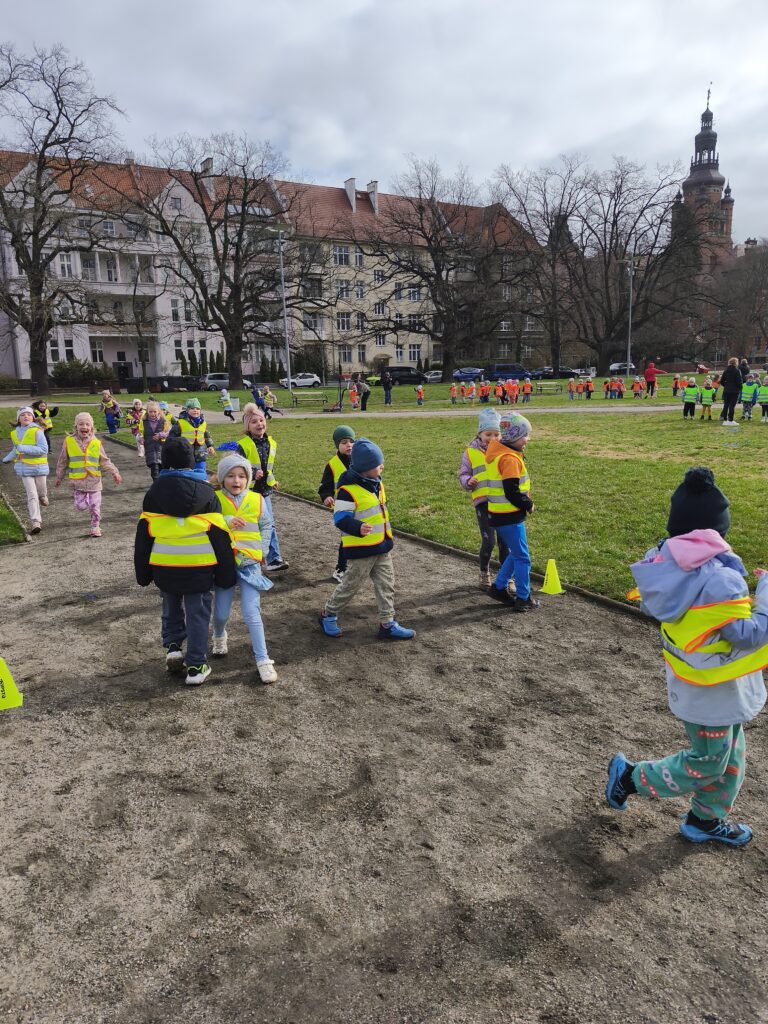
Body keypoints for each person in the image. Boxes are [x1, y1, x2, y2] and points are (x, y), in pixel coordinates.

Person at [606, 467, 767, 846]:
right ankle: (630, 777)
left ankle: (705, 819)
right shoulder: (719, 580)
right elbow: (750, 634)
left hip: (699, 683)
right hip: (712, 692)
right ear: (716, 532)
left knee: (729, 757)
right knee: (708, 762)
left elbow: (661, 608)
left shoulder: (661, 569)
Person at [134, 436, 236, 687]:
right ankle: (196, 665)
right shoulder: (207, 494)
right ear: (191, 462)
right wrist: (226, 574)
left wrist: (143, 573)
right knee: (197, 614)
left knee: (170, 605)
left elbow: (144, 536)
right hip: (199, 566)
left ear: (164, 462)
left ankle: (173, 647)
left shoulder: (153, 494)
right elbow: (219, 536)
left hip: (164, 564)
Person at [318, 437, 414, 640]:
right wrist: (357, 527)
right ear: (364, 469)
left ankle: (387, 623)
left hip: (382, 546)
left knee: (386, 584)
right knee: (350, 585)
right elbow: (340, 518)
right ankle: (328, 614)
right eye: (378, 464)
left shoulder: (377, 483)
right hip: (361, 550)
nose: (382, 467)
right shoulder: (347, 491)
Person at [211, 454, 278, 683]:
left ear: (248, 478)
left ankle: (263, 660)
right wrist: (227, 520)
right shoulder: (214, 499)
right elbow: (206, 524)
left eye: (241, 476)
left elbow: (266, 525)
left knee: (252, 613)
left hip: (250, 564)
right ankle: (219, 635)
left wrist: (263, 551)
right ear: (222, 478)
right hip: (224, 565)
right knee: (221, 614)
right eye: (231, 476)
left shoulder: (257, 499)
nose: (236, 480)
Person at [484, 414, 538, 613]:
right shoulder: (508, 458)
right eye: (525, 435)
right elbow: (512, 491)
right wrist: (528, 504)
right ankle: (523, 598)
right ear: (514, 436)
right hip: (509, 515)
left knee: (516, 553)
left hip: (500, 514)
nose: (528, 439)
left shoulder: (500, 452)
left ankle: (498, 588)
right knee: (523, 558)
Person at [458, 408, 510, 589]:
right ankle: (484, 572)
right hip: (483, 503)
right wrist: (468, 481)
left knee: (505, 542)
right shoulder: (470, 452)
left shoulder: (505, 451)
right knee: (489, 541)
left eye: (496, 434)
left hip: (503, 503)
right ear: (479, 434)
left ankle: (507, 576)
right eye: (488, 434)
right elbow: (464, 474)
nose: (492, 438)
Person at [237, 405, 288, 572]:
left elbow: (268, 467)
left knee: (269, 524)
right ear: (247, 427)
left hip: (264, 491)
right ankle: (247, 558)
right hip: (247, 493)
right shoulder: (243, 445)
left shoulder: (271, 443)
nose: (259, 424)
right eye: (254, 422)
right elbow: (237, 467)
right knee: (248, 526)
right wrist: (252, 473)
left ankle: (273, 558)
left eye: (261, 420)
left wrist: (272, 481)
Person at [54, 412, 121, 537]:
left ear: (91, 427)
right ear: (76, 426)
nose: (84, 427)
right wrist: (59, 477)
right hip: (78, 482)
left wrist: (114, 472)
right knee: (81, 506)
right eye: (81, 424)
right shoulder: (69, 441)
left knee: (95, 506)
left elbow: (105, 460)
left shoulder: (96, 443)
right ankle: (82, 502)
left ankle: (95, 526)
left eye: (87, 424)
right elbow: (62, 461)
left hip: (94, 481)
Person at [3, 406, 49, 535]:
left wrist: (24, 448)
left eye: (29, 414)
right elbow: (16, 449)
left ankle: (43, 496)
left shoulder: (37, 431)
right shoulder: (14, 433)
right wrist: (7, 458)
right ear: (18, 419)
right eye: (22, 415)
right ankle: (36, 522)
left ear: (33, 418)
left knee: (41, 492)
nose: (26, 416)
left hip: (39, 468)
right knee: (31, 495)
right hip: (24, 468)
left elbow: (43, 449)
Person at [318, 425, 355, 583]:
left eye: (351, 441)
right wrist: (326, 497)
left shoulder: (361, 460)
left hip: (362, 506)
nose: (348, 445)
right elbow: (325, 487)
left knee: (360, 536)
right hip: (343, 508)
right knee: (347, 538)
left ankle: (357, 565)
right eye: (344, 442)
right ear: (337, 445)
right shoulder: (332, 465)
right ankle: (341, 568)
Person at [168, 398, 215, 476]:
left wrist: (210, 446)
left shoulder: (203, 423)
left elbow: (207, 435)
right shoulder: (180, 423)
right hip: (185, 454)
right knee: (187, 473)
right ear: (187, 410)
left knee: (201, 472)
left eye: (197, 409)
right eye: (192, 408)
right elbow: (172, 437)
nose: (195, 410)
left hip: (201, 454)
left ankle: (202, 481)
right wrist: (173, 449)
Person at [143, 400, 172, 480]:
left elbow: (170, 432)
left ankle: (162, 484)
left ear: (159, 411)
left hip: (162, 448)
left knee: (162, 469)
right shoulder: (143, 422)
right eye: (150, 412)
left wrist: (161, 435)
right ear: (147, 412)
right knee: (154, 471)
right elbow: (140, 432)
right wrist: (140, 438)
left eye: (155, 412)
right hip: (150, 448)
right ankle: (157, 485)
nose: (153, 414)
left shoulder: (164, 421)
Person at [718, 357, 742, 423]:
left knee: (726, 404)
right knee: (732, 405)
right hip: (735, 391)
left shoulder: (725, 371)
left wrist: (726, 385)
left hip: (726, 390)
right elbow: (739, 381)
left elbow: (722, 381)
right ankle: (730, 418)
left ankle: (724, 417)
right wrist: (740, 388)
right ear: (736, 363)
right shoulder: (737, 371)